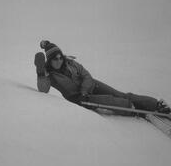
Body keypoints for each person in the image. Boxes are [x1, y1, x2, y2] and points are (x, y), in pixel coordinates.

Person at [34, 40, 171, 116]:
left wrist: (84, 90)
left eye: (60, 57)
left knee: (120, 94)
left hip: (89, 87)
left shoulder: (70, 63)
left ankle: (155, 104)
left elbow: (86, 75)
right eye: (55, 59)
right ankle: (135, 109)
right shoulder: (49, 74)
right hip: (80, 99)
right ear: (49, 61)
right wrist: (40, 72)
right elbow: (43, 90)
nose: (58, 61)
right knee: (111, 101)